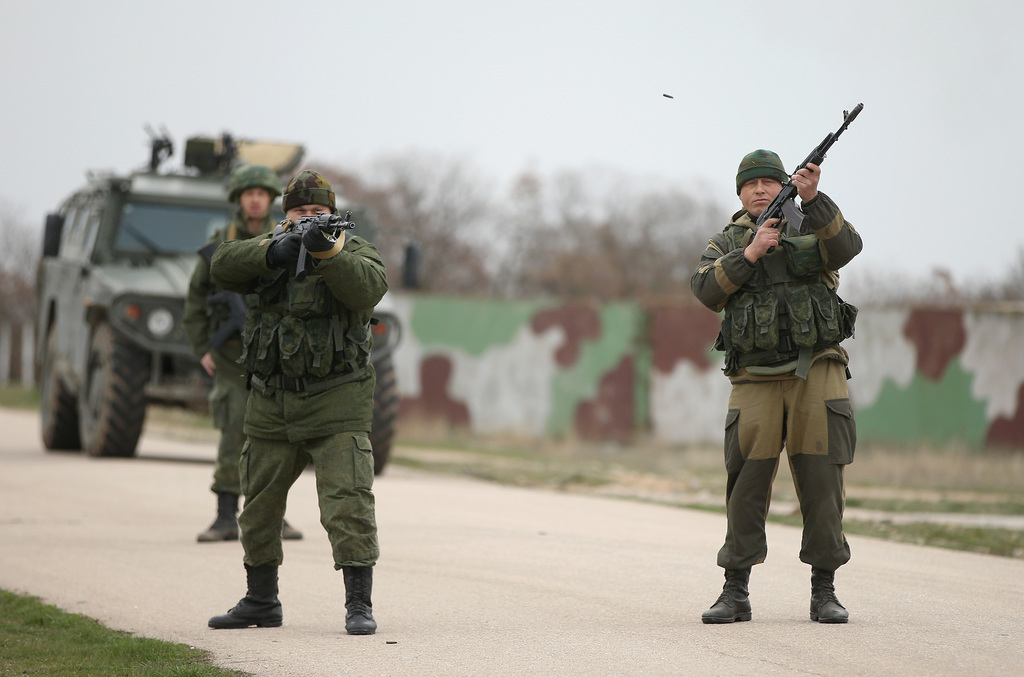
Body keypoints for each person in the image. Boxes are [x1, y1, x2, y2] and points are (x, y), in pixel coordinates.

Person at [207, 169, 387, 635]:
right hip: (270, 401)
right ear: (283, 216)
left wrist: (328, 251)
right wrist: (274, 250)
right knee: (260, 507)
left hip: (337, 400)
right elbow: (221, 266)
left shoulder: (355, 250)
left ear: (333, 214)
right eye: (300, 213)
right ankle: (261, 600)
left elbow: (368, 287)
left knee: (347, 503)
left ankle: (358, 604)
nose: (309, 219)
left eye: (318, 212)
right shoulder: (268, 247)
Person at [690, 150, 862, 624]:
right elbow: (704, 290)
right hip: (754, 378)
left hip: (817, 370)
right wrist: (749, 253)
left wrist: (815, 199)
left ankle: (824, 591)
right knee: (745, 482)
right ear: (740, 193)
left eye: (769, 181)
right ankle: (735, 591)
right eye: (751, 184)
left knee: (823, 481)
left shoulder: (811, 224)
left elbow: (848, 247)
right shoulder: (727, 240)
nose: (761, 189)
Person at [184, 164, 304, 543]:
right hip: (231, 355)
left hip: (274, 356)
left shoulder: (286, 237)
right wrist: (204, 346)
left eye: (262, 193)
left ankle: (271, 514)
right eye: (248, 193)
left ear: (270, 199)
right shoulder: (221, 242)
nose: (255, 199)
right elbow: (194, 301)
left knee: (276, 436)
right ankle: (224, 515)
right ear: (239, 199)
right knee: (234, 428)